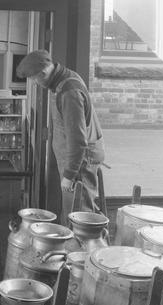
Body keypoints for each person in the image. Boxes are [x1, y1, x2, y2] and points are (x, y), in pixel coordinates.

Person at [17, 49, 105, 224]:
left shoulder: (68, 92)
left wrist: (70, 174)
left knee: (80, 217)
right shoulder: (61, 81)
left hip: (79, 162)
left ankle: (85, 250)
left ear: (42, 73)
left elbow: (78, 140)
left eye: (34, 79)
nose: (35, 83)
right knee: (72, 212)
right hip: (74, 160)